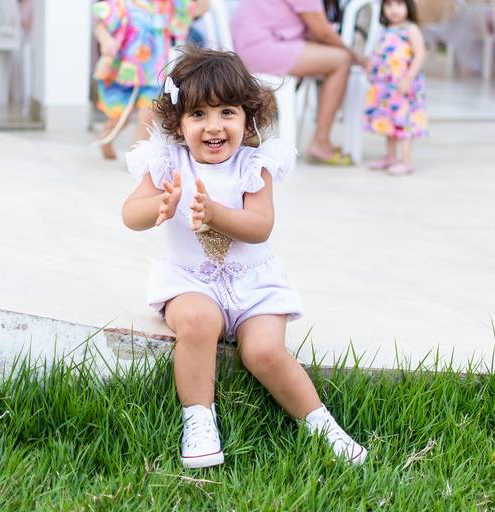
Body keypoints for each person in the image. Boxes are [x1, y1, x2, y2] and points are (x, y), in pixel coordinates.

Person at [122, 46, 368, 469]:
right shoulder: (166, 163)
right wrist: (159, 205)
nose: (213, 126)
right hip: (190, 281)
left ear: (247, 117)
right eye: (198, 114)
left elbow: (260, 226)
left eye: (227, 112)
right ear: (178, 123)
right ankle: (199, 418)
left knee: (264, 351)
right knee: (197, 321)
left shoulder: (254, 165)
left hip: (254, 284)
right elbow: (130, 214)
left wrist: (216, 214)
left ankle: (320, 423)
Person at [230, 0, 368, 166]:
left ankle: (252, 131)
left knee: (333, 57)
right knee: (341, 60)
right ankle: (321, 142)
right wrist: (358, 58)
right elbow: (322, 33)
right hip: (261, 48)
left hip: (251, 46)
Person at [91, 0, 208, 160]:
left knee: (148, 115)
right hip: (123, 69)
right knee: (120, 116)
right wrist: (106, 40)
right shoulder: (123, 4)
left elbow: (200, 9)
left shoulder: (170, 5)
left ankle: (136, 157)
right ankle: (106, 138)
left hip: (153, 72)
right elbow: (100, 25)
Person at [364, 0, 427, 175]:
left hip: (404, 86)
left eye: (399, 4)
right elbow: (381, 53)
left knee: (403, 121)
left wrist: (409, 77)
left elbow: (420, 54)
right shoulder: (385, 30)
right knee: (389, 120)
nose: (394, 10)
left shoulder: (410, 29)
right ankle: (390, 156)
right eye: (389, 5)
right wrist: (371, 67)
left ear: (408, 6)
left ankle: (406, 159)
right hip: (387, 87)